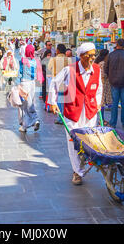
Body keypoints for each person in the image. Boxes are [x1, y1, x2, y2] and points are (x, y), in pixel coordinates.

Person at [48, 43, 102, 185]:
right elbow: (54, 82)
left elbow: (99, 88)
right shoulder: (69, 70)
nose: (92, 58)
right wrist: (53, 102)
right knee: (73, 142)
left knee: (88, 140)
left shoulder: (97, 70)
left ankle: (84, 163)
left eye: (94, 55)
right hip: (73, 112)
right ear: (82, 56)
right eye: (90, 55)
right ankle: (77, 172)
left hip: (90, 112)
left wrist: (98, 103)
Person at [16, 44, 44, 133]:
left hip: (24, 83)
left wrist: (17, 84)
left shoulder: (23, 60)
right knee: (30, 102)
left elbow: (20, 73)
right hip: (32, 83)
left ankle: (29, 123)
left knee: (24, 105)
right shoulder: (36, 61)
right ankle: (29, 122)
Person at [47, 44, 72, 124]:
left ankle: (61, 119)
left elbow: (49, 68)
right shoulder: (69, 59)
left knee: (59, 101)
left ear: (57, 50)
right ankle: (65, 117)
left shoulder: (53, 59)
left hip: (57, 82)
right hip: (66, 82)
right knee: (65, 101)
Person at [94, 49, 111, 125]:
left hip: (99, 84)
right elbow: (103, 75)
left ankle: (101, 119)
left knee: (101, 102)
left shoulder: (96, 62)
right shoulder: (103, 63)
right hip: (103, 85)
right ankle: (101, 119)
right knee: (102, 103)